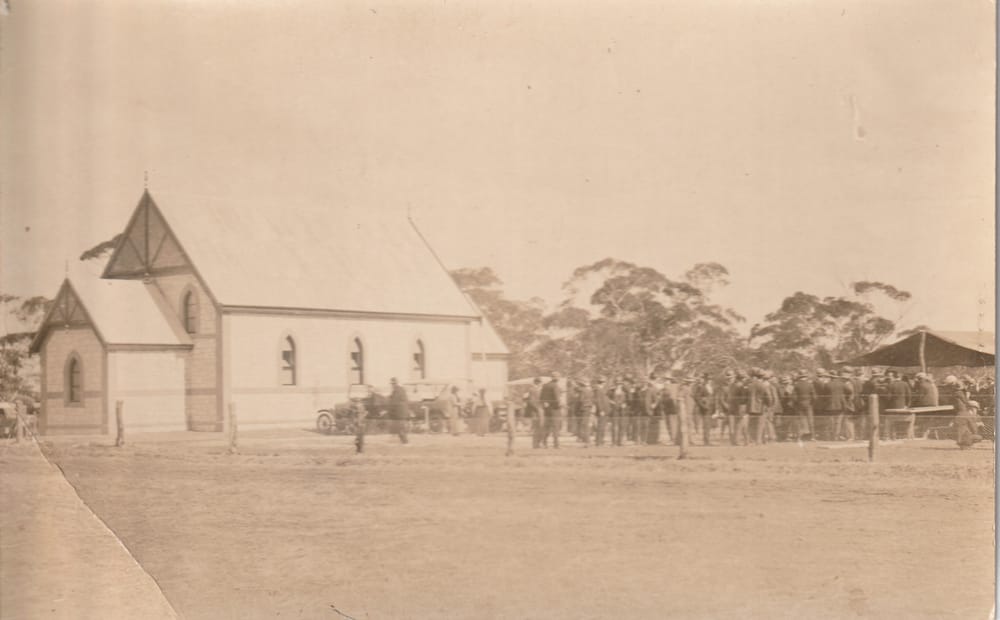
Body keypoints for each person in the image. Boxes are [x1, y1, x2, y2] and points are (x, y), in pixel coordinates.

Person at [945, 375, 981, 449]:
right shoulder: (960, 392)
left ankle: (964, 443)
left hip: (960, 414)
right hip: (963, 413)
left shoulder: (957, 392)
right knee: (975, 433)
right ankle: (966, 443)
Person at [540, 373, 563, 448]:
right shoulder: (555, 386)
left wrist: (545, 404)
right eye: (558, 376)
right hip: (555, 409)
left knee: (547, 426)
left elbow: (541, 398)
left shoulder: (545, 385)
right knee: (556, 427)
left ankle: (544, 443)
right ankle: (556, 444)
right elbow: (557, 398)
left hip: (547, 410)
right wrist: (561, 405)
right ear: (557, 378)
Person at [793, 371, 817, 440]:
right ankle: (812, 436)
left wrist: (796, 404)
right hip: (808, 404)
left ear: (800, 377)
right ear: (805, 377)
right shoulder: (810, 385)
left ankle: (799, 437)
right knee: (810, 420)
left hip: (799, 405)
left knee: (800, 420)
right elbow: (814, 396)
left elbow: (794, 397)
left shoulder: (796, 385)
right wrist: (812, 403)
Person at [693, 373, 715, 445]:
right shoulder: (702, 387)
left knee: (708, 425)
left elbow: (712, 397)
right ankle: (706, 441)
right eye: (708, 379)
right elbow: (697, 397)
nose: (709, 380)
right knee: (706, 424)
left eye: (711, 379)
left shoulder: (711, 387)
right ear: (705, 380)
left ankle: (707, 440)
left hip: (711, 408)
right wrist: (703, 405)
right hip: (705, 408)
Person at [388, 377, 410, 444]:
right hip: (401, 412)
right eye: (391, 384)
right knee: (400, 428)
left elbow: (394, 401)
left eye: (393, 383)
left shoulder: (397, 390)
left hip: (400, 412)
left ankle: (405, 442)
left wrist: (389, 401)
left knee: (400, 428)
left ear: (395, 383)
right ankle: (404, 442)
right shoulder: (399, 389)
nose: (392, 385)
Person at [528, 378, 545, 448]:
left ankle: (539, 443)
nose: (541, 384)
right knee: (536, 427)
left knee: (541, 427)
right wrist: (537, 408)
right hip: (536, 410)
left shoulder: (541, 389)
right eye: (540, 382)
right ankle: (535, 444)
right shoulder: (532, 389)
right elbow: (531, 401)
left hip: (541, 410)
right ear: (537, 383)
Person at [594, 378, 611, 446]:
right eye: (604, 382)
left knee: (602, 426)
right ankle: (599, 442)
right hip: (602, 411)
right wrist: (601, 410)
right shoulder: (598, 390)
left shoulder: (601, 389)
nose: (605, 384)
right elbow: (598, 401)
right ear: (602, 382)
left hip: (604, 411)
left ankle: (600, 441)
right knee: (601, 426)